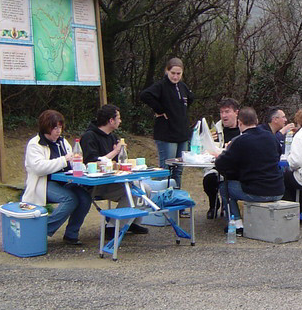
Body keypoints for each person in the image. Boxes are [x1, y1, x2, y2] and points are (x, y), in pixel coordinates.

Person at [22, 110, 93, 246]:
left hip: (65, 181)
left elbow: (72, 161)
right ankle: (40, 232)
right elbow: (39, 168)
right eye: (54, 127)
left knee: (85, 198)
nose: (58, 131)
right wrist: (64, 160)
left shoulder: (63, 142)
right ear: (45, 127)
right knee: (69, 199)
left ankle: (71, 234)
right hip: (43, 183)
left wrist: (81, 166)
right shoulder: (35, 144)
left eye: (60, 127)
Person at [80, 104, 148, 238]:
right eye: (119, 118)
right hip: (96, 184)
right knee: (133, 193)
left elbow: (117, 162)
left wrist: (122, 153)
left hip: (113, 180)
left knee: (145, 189)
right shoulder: (89, 137)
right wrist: (116, 151)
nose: (120, 121)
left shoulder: (112, 136)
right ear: (111, 120)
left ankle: (130, 221)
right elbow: (91, 163)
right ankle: (112, 227)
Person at [214, 107, 284, 234]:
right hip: (278, 189)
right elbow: (278, 156)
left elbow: (221, 164)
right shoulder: (271, 137)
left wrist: (224, 153)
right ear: (256, 120)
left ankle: (236, 223)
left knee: (224, 188)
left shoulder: (240, 141)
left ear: (240, 123)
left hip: (257, 191)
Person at [139, 57, 195, 187]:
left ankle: (177, 200)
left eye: (178, 74)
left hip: (182, 134)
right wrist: (159, 109)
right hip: (166, 135)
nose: (175, 77)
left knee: (178, 171)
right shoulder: (161, 86)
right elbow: (145, 95)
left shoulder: (183, 87)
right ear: (167, 71)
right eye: (173, 73)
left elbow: (190, 98)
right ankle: (162, 200)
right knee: (166, 170)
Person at [203, 98, 241, 219]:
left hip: (238, 167)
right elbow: (206, 149)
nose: (224, 115)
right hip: (217, 165)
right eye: (221, 112)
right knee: (209, 179)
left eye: (227, 112)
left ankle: (229, 206)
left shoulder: (244, 128)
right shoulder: (215, 129)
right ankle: (214, 205)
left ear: (236, 112)